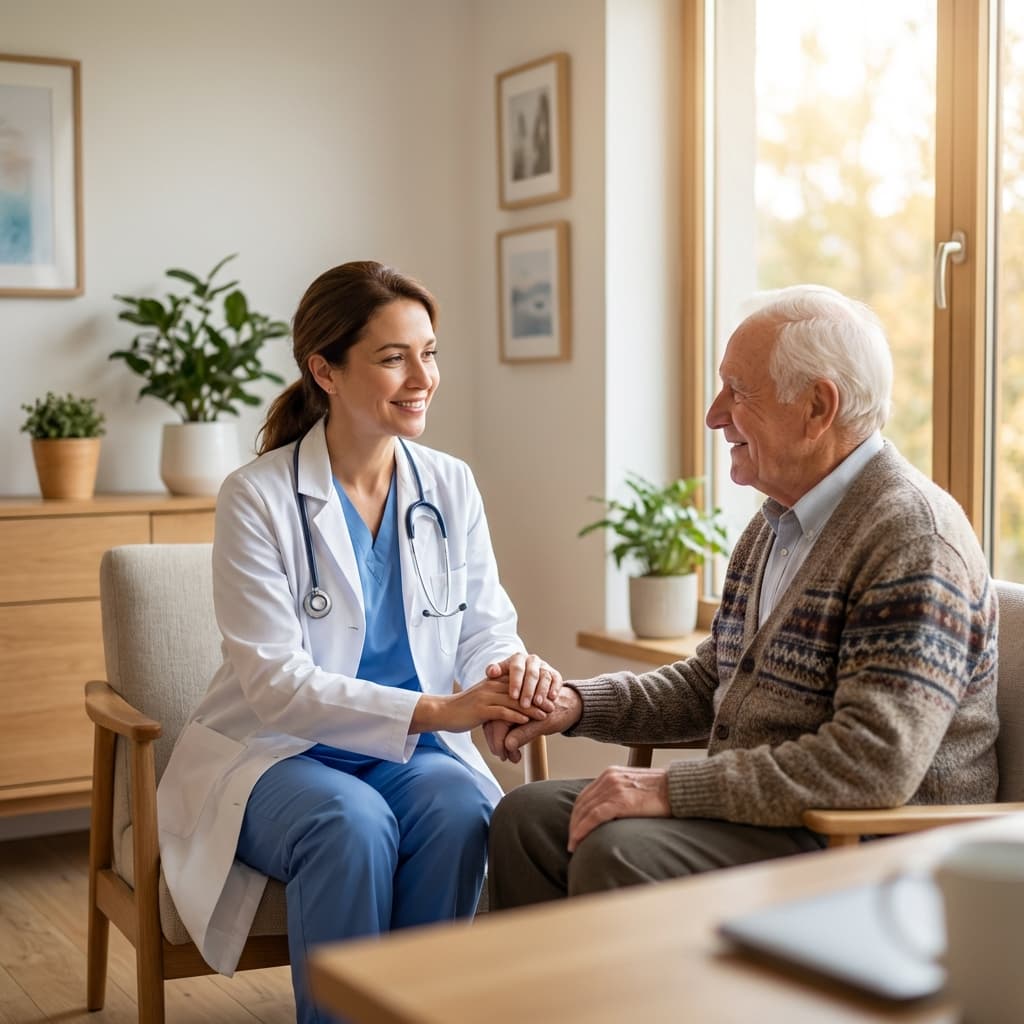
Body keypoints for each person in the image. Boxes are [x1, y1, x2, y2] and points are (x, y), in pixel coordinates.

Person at [484, 284, 999, 909]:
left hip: (869, 847)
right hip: (768, 816)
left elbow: (871, 766)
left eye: (738, 390)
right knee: (526, 817)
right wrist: (573, 704)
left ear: (817, 407)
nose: (713, 413)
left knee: (616, 849)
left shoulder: (912, 539)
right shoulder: (775, 524)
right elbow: (714, 686)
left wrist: (671, 790)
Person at [156, 260, 561, 1023]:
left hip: (412, 755)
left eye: (430, 352)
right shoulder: (258, 497)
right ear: (326, 370)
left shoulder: (450, 484)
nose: (423, 376)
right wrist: (438, 710)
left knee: (457, 810)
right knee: (350, 824)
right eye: (393, 356)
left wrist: (510, 673)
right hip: (280, 751)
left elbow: (483, 624)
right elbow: (274, 682)